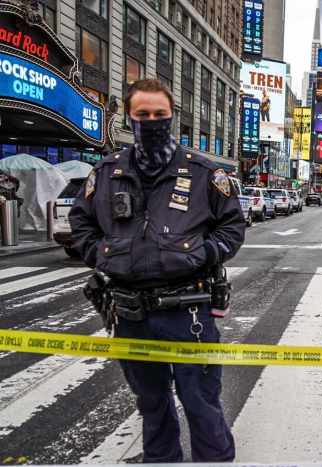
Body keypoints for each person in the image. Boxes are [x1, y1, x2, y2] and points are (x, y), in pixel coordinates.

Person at [69, 79, 244, 463]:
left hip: (189, 312)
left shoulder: (203, 172)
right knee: (152, 404)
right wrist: (100, 254)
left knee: (201, 404)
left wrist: (205, 252)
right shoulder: (106, 170)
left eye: (159, 115)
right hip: (130, 313)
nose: (151, 122)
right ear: (130, 119)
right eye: (142, 115)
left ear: (172, 118)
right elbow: (79, 222)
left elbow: (233, 225)